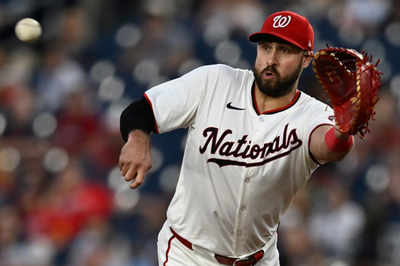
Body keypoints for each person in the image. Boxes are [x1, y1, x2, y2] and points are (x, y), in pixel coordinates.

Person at [119, 10, 355, 266]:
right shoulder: (214, 82)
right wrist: (138, 139)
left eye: (285, 51)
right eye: (266, 47)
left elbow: (328, 146)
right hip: (188, 255)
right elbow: (141, 110)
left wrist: (343, 134)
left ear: (306, 59)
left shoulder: (313, 114)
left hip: (259, 259)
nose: (271, 59)